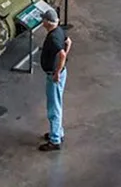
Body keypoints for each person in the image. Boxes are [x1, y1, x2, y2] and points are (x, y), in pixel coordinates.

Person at [38, 9, 71, 151]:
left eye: (43, 20)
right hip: (61, 73)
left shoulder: (52, 38)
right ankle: (57, 132)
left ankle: (55, 140)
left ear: (47, 22)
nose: (42, 22)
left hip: (54, 76)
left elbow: (62, 54)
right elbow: (69, 42)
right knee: (57, 103)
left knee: (53, 108)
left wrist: (57, 72)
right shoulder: (59, 30)